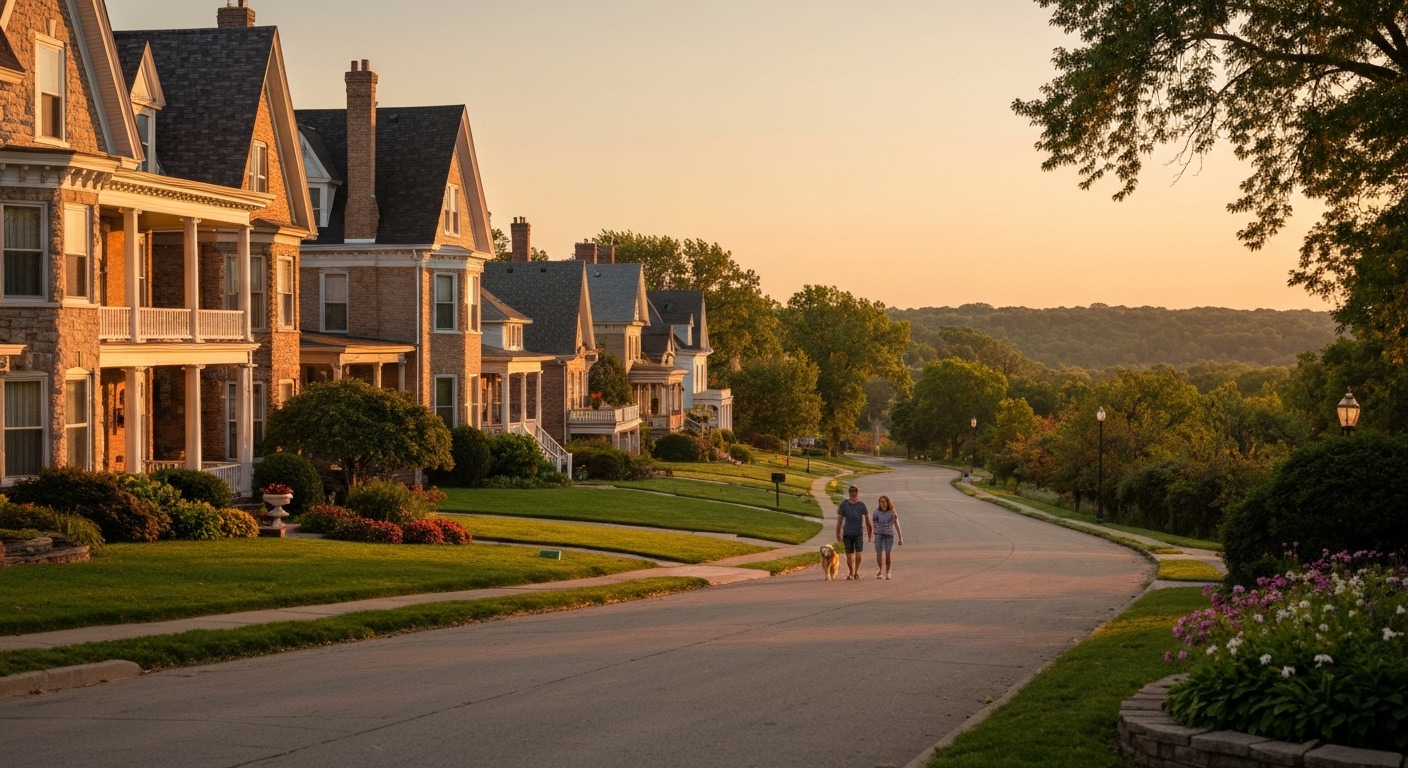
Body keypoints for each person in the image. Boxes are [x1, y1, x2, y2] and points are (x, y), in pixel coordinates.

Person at [835, 485, 873, 580]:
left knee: (858, 553)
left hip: (858, 532)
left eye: (855, 491)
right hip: (847, 533)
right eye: (851, 491)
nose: (853, 493)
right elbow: (839, 520)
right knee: (849, 554)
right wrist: (838, 533)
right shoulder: (844, 504)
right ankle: (851, 572)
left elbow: (868, 521)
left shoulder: (861, 505)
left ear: (857, 492)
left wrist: (869, 533)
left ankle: (856, 572)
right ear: (849, 493)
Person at [872, 495, 904, 580]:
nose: (882, 504)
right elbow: (874, 525)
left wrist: (900, 537)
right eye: (880, 502)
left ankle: (888, 571)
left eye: (884, 502)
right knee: (879, 553)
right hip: (879, 534)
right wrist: (873, 534)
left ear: (887, 502)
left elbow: (897, 526)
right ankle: (880, 570)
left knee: (887, 554)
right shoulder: (876, 513)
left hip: (888, 535)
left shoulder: (892, 513)